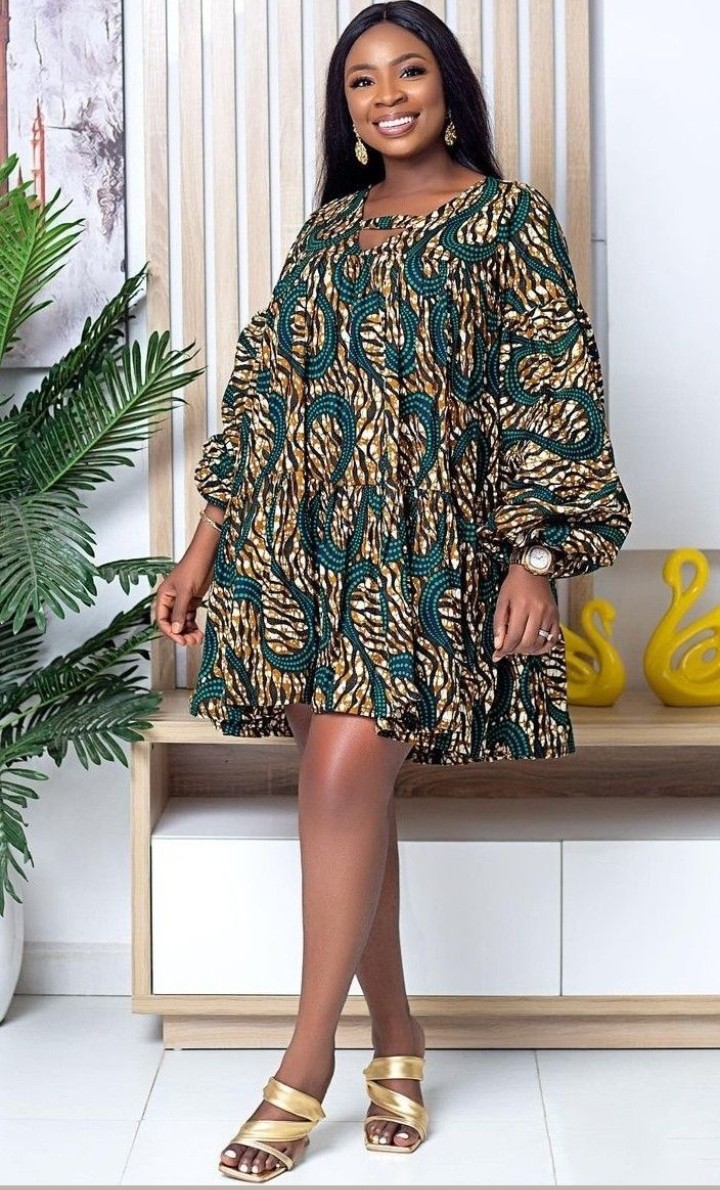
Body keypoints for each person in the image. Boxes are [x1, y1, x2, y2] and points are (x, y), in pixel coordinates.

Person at [153, 1, 632, 1182]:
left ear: (447, 84)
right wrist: (201, 548)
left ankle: (303, 1065)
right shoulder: (328, 229)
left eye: (408, 70)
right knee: (349, 800)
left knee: (336, 780)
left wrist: (538, 558)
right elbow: (266, 390)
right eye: (362, 81)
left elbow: (553, 383)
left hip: (431, 550)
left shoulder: (510, 220)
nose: (387, 95)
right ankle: (399, 1041)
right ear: (348, 110)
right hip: (303, 545)